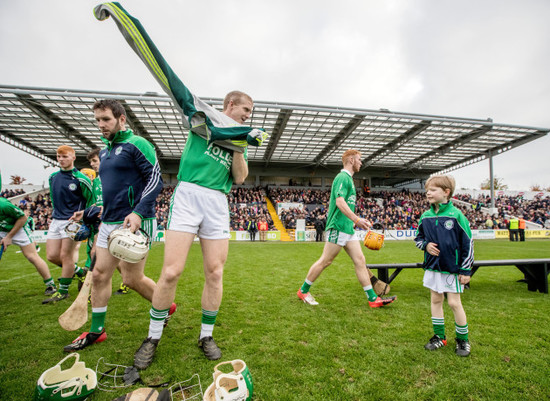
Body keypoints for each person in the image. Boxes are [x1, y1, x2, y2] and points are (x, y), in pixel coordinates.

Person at [133, 90, 253, 370]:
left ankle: (206, 335)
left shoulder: (240, 137)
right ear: (230, 104)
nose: (248, 115)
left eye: (250, 112)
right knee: (172, 271)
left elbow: (240, 177)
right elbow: (192, 116)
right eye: (245, 109)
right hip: (188, 194)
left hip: (217, 201)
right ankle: (152, 336)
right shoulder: (204, 119)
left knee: (215, 271)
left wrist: (238, 145)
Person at [63, 99, 166, 352]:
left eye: (106, 119)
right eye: (97, 120)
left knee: (132, 279)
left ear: (121, 119)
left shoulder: (137, 144)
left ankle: (165, 306)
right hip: (108, 223)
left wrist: (139, 212)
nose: (101, 125)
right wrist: (91, 213)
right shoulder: (105, 152)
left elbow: (156, 180)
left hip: (133, 222)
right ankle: (97, 331)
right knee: (99, 275)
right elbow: (112, 193)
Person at [296, 149, 396, 308]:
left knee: (360, 261)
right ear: (351, 160)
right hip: (338, 227)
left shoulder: (349, 179)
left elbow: (345, 205)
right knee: (326, 261)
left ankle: (372, 299)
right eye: (359, 159)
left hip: (347, 228)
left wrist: (357, 221)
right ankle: (303, 290)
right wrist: (356, 219)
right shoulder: (342, 177)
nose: (361, 163)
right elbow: (340, 202)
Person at [414, 175, 473, 357]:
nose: (428, 193)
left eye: (432, 190)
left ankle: (463, 340)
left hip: (452, 268)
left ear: (446, 192)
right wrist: (426, 246)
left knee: (454, 303)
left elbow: (468, 243)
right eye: (427, 190)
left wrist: (465, 269)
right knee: (435, 300)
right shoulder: (425, 216)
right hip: (432, 267)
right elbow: (418, 238)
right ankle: (440, 337)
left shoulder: (457, 215)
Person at [43, 145, 94, 304]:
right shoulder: (53, 177)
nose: (61, 159)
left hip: (72, 222)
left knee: (66, 256)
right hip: (56, 220)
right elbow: (53, 197)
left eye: (65, 156)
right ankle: (79, 271)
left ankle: (63, 291)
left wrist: (83, 218)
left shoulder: (81, 179)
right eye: (59, 157)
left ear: (73, 157)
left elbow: (90, 200)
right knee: (51, 256)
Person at [86, 148, 130, 295]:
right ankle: (124, 280)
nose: (92, 164)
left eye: (95, 161)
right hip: (101, 220)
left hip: (113, 219)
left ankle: (94, 289)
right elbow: (95, 201)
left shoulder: (112, 177)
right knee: (107, 255)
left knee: (97, 253)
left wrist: (104, 208)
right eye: (91, 161)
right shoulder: (96, 181)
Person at [0, 197, 57, 296]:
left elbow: (23, 218)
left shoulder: (3, 205)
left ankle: (51, 285)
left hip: (18, 228)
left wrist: (9, 237)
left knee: (31, 256)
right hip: (2, 228)